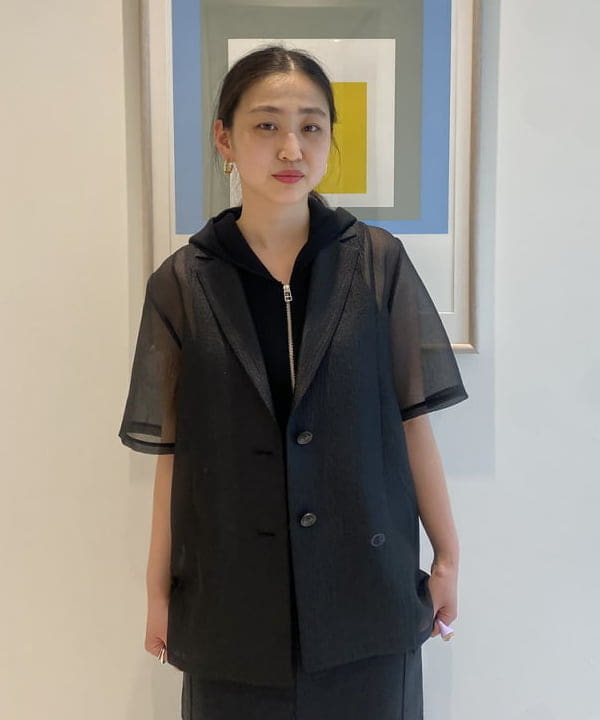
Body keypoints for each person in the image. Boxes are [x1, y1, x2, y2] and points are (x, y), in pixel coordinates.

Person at [118, 44, 468, 720]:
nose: (291, 148)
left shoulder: (377, 263)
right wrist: (158, 589)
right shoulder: (182, 284)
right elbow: (173, 455)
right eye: (267, 125)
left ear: (329, 140)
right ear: (225, 139)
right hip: (229, 611)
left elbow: (411, 421)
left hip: (367, 598)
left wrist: (448, 555)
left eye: (311, 126)